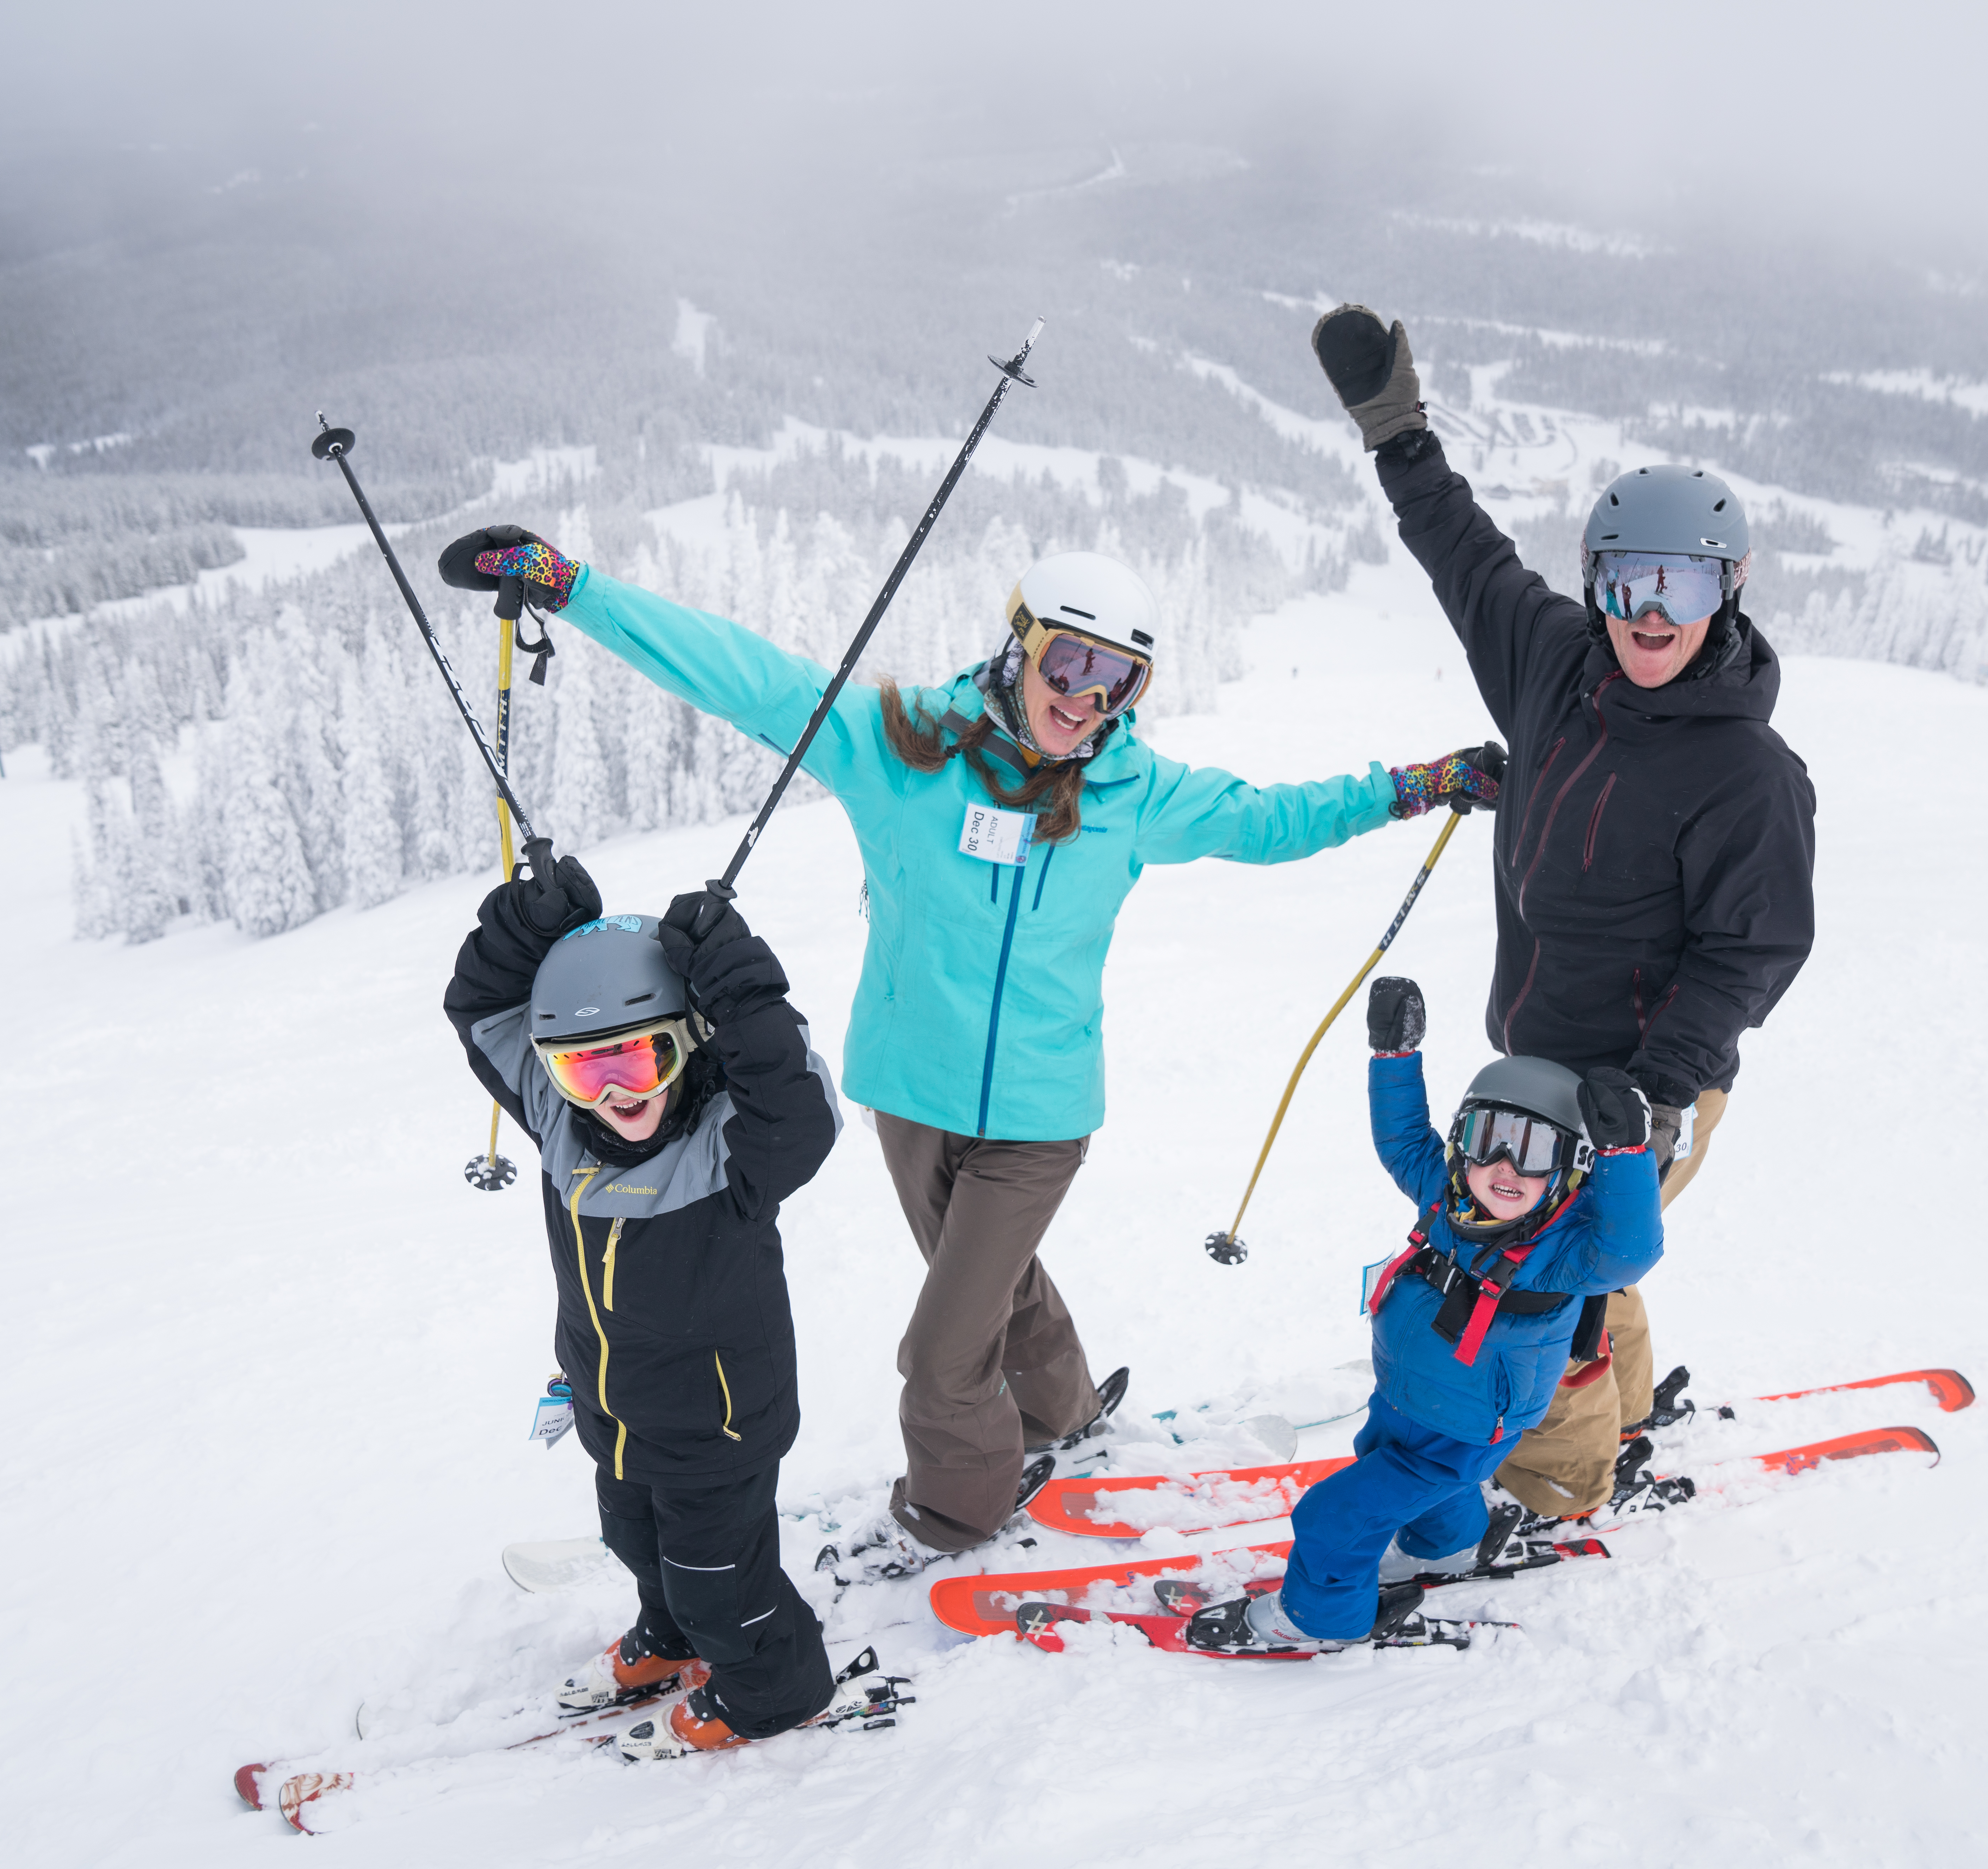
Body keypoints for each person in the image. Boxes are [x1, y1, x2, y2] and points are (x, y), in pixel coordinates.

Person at [438, 529, 1502, 1575]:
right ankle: (1063, 1413)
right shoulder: (901, 752)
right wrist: (571, 589)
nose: (1087, 699)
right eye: (1071, 662)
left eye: (1119, 681)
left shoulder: (1133, 796)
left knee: (942, 1355)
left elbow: (1277, 820)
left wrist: (1415, 786)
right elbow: (746, 676)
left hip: (1041, 1116)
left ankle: (956, 1511)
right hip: (910, 1098)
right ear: (1019, 645)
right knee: (990, 1280)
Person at [1307, 305, 1818, 1520]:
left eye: (1683, 580)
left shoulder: (1749, 774)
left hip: (1646, 1086)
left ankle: (1551, 1482)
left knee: (1540, 1287)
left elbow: (1754, 949)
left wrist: (1654, 1092)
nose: (1653, 610)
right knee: (1581, 1262)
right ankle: (1626, 1414)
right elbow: (1461, 551)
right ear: (1596, 583)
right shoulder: (1552, 662)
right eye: (1629, 579)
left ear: (1728, 587)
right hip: (1532, 1067)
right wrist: (1397, 432)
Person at [443, 856, 855, 1760]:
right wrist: (525, 928)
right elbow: (479, 1014)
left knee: (722, 1582)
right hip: (615, 1410)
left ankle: (773, 1691)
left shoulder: (731, 1153)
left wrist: (741, 990)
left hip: (719, 1430)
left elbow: (798, 1108)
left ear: (690, 1041)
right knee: (636, 1539)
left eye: (640, 1057)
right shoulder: (559, 1127)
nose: (617, 1096)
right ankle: (670, 1641)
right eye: (585, 1072)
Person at [1185, 975, 1661, 1653]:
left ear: (1571, 1166)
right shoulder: (1447, 1199)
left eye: (1532, 1152)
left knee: (1333, 1517)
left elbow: (1630, 1251)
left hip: (1468, 1427)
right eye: (1488, 1137)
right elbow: (1404, 1139)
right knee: (1384, 1461)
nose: (1503, 1165)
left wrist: (1627, 1155)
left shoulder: (1564, 1252)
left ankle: (1319, 1621)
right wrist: (1394, 1057)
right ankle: (1450, 1549)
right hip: (1407, 1397)